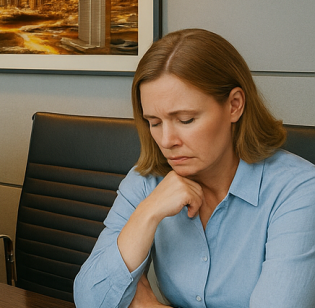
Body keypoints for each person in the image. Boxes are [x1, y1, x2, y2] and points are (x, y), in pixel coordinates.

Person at [74, 29, 315, 307]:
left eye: (186, 120)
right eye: (154, 122)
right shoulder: (147, 182)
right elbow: (89, 299)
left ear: (234, 105)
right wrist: (147, 213)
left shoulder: (299, 190)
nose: (167, 141)